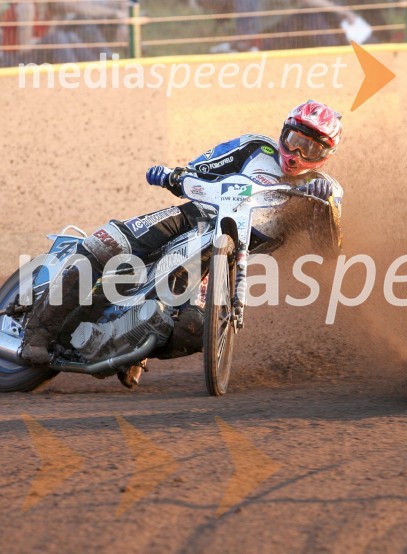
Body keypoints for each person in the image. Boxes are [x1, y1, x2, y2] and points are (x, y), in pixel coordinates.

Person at [21, 100, 344, 387]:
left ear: (325, 156)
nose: (298, 154)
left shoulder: (321, 191)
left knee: (193, 327)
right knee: (107, 244)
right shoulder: (255, 148)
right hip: (194, 217)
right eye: (295, 140)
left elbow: (328, 250)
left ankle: (130, 351)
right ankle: (38, 331)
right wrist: (174, 176)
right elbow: (201, 167)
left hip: (220, 264)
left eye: (311, 149)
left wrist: (328, 208)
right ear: (284, 132)